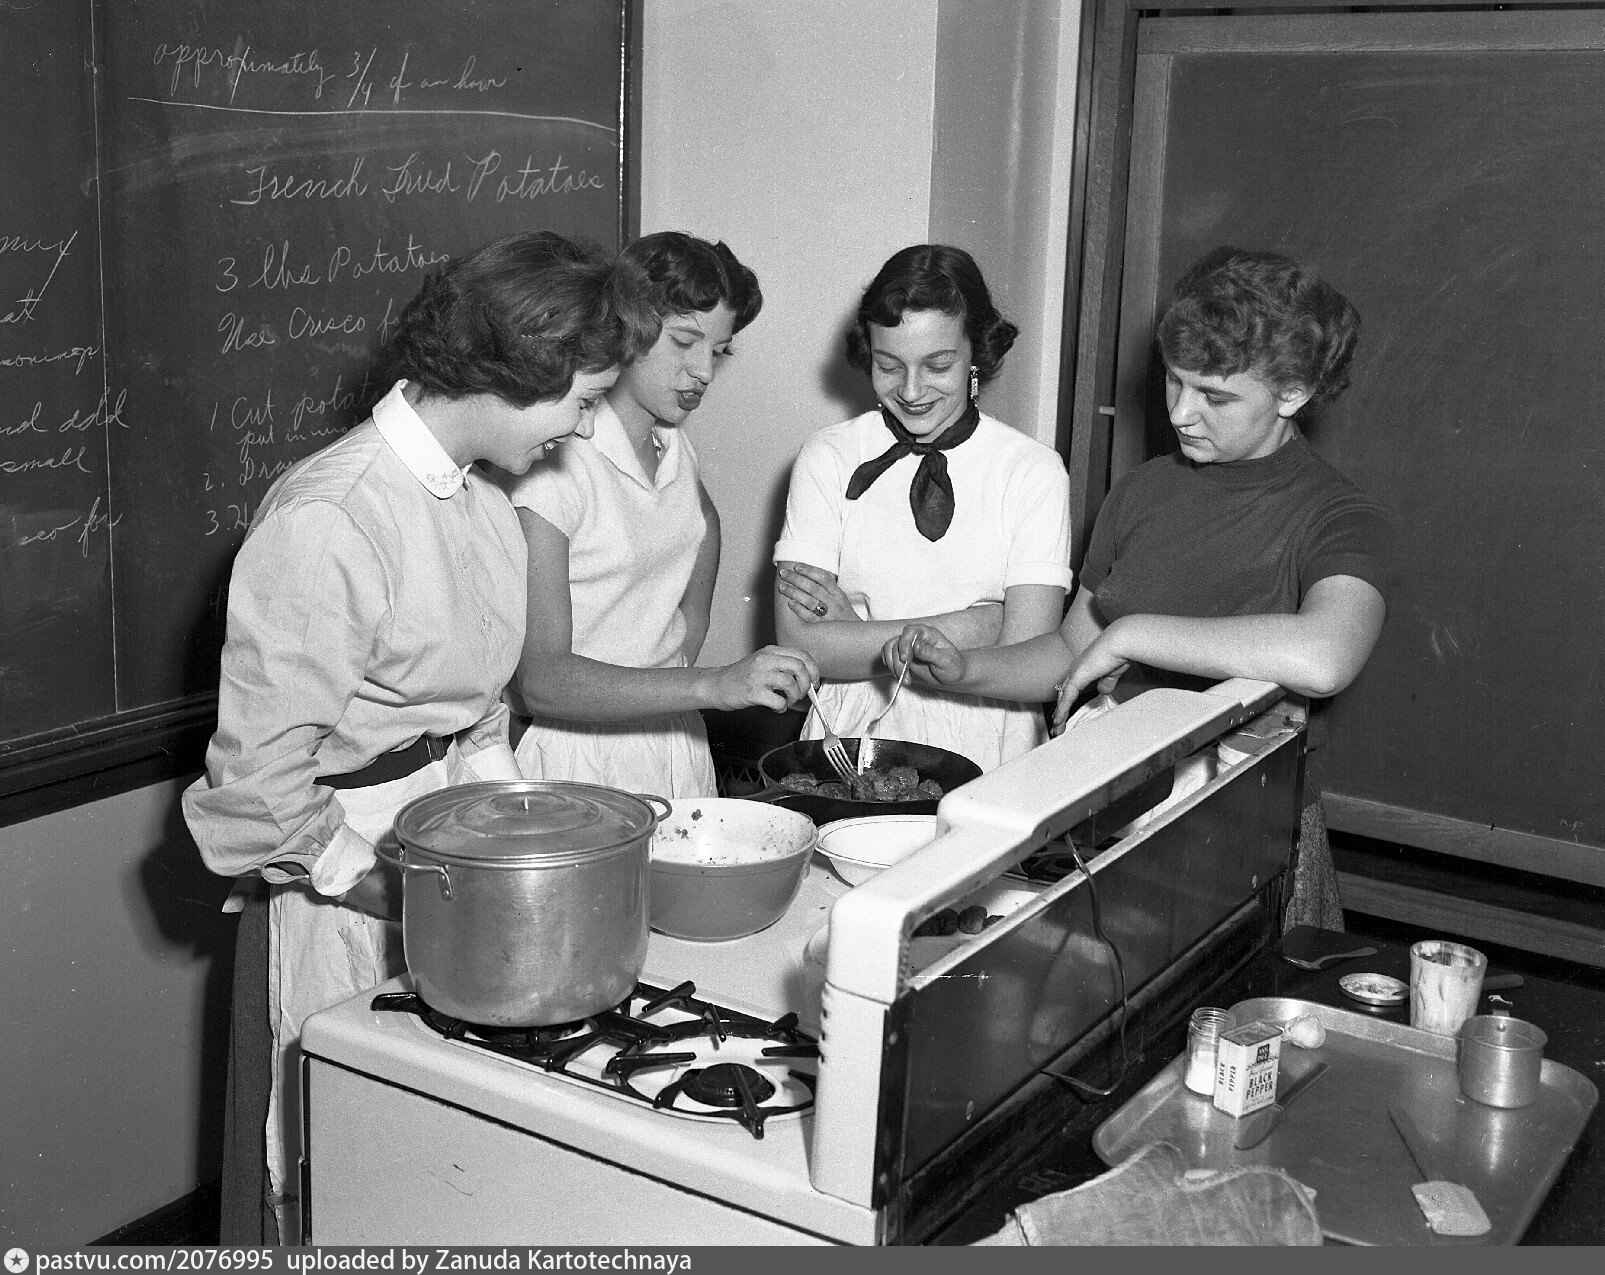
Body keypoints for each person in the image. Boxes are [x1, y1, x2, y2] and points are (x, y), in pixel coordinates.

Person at [181, 230, 655, 1244]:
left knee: (443, 1171)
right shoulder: (333, 519)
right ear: (516, 373)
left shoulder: (479, 497)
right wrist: (395, 889)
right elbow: (259, 786)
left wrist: (517, 840)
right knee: (345, 1181)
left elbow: (474, 718)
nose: (582, 430)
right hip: (341, 878)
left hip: (444, 856)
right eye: (581, 401)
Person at [885, 245, 1392, 928]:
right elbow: (1073, 654)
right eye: (1174, 381)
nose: (1181, 413)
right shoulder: (1143, 491)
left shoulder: (1336, 515)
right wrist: (965, 669)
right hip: (1114, 817)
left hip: (1248, 842)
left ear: (1292, 392)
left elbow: (1324, 656)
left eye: (1214, 395)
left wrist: (1135, 631)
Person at [498, 232, 817, 797]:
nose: (704, 371)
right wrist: (710, 684)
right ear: (627, 331)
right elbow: (543, 681)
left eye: (718, 351)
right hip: (575, 753)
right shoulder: (557, 462)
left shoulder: (674, 446)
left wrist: (677, 667)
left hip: (673, 737)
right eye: (685, 342)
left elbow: (702, 528)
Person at [771, 244, 1072, 772]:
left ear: (977, 352)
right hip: (853, 738)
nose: (911, 390)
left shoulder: (1031, 471)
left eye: (937, 365)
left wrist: (859, 633)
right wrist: (979, 624)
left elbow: (1026, 658)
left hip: (988, 739)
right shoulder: (828, 456)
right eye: (889, 365)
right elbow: (801, 646)